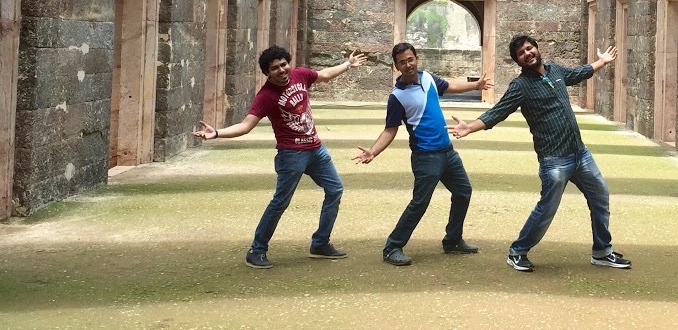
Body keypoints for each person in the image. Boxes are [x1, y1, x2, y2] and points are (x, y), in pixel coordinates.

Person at [449, 35, 631, 272]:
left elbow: (579, 72)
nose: (527, 54)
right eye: (521, 53)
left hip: (580, 154)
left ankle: (602, 251)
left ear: (536, 48)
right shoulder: (520, 86)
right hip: (554, 160)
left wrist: (602, 62)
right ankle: (517, 251)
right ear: (518, 61)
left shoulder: (556, 71)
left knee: (600, 198)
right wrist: (470, 127)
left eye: (529, 48)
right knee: (547, 209)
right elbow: (497, 112)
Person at [193, 45, 367, 269]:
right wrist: (217, 133)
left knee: (335, 190)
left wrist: (347, 65)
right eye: (275, 68)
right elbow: (246, 126)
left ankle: (320, 243)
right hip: (291, 155)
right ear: (267, 73)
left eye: (284, 64)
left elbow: (324, 75)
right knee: (280, 202)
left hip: (316, 150)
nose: (282, 70)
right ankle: (257, 250)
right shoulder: (266, 96)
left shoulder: (300, 75)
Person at [353, 42, 493, 266]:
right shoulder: (397, 96)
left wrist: (476, 85)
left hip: (448, 152)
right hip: (426, 157)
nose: (408, 65)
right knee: (420, 202)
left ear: (416, 59)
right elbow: (390, 129)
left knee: (463, 191)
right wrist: (373, 151)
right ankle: (392, 247)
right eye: (402, 62)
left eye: (410, 59)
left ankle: (453, 241)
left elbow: (450, 86)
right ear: (396, 66)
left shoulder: (428, 78)